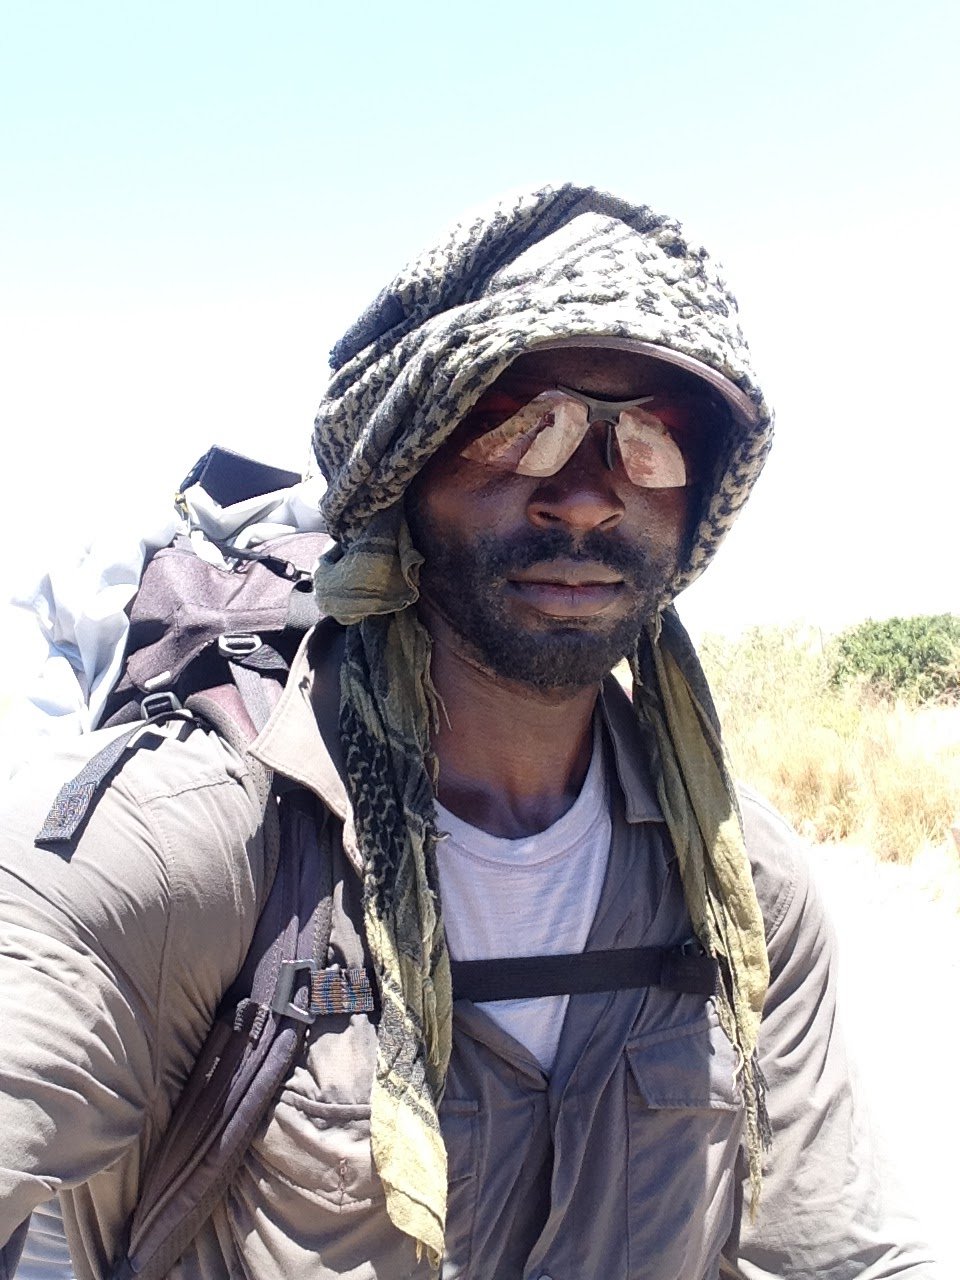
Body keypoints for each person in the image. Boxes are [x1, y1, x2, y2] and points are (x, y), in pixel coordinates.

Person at [0, 184, 938, 1279]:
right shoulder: (190, 857)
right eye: (519, 425)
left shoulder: (740, 887)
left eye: (650, 439)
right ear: (408, 472)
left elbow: (845, 1254)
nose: (586, 499)